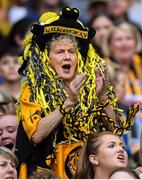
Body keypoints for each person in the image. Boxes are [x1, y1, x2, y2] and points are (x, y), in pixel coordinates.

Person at [15, 6, 139, 179]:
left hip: (91, 171)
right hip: (52, 172)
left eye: (71, 52)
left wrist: (103, 99)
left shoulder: (92, 88)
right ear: (47, 59)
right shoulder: (34, 90)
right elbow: (36, 136)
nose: (67, 57)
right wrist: (68, 104)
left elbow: (116, 132)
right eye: (60, 52)